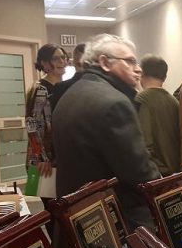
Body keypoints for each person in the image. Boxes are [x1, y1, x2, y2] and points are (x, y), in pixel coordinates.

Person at [53, 33, 160, 233]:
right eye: (130, 61)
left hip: (79, 214)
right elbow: (139, 172)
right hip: (116, 219)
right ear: (104, 62)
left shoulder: (72, 94)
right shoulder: (114, 102)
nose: (138, 68)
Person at [25, 43, 67, 178]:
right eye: (56, 59)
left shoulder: (63, 87)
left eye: (63, 57)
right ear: (44, 63)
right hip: (43, 159)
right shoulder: (40, 89)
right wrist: (41, 157)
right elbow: (31, 124)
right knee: (49, 196)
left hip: (59, 155)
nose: (62, 61)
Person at [136, 54, 180, 175]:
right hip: (176, 170)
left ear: (141, 73)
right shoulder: (174, 101)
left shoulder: (141, 100)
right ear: (165, 77)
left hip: (158, 174)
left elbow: (144, 144)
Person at [50, 42, 85, 111]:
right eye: (55, 58)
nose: (61, 61)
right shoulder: (42, 88)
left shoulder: (61, 87)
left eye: (63, 58)